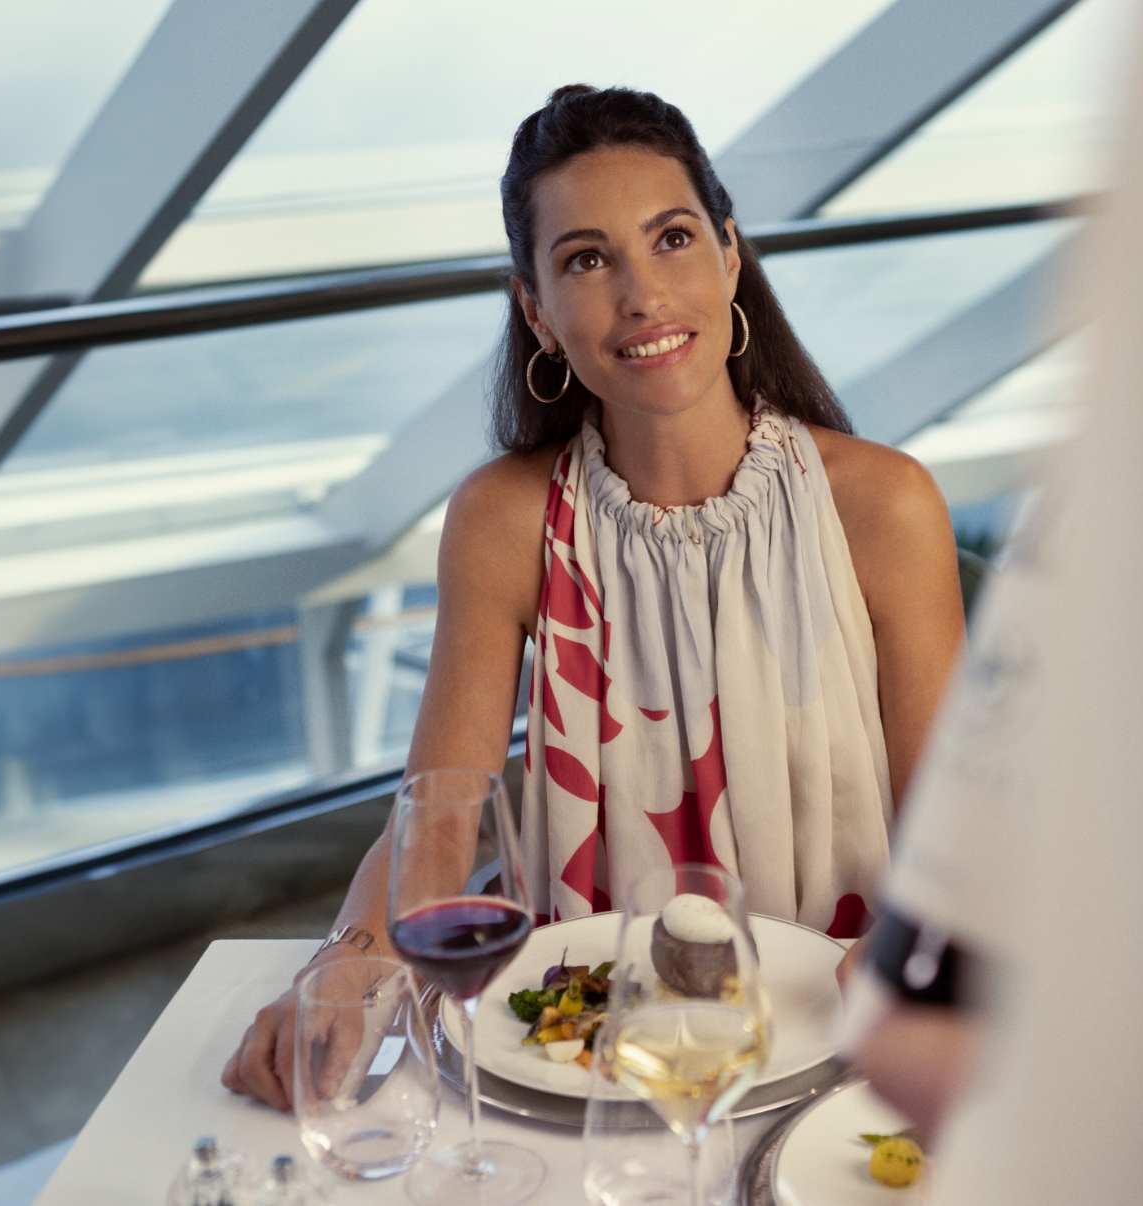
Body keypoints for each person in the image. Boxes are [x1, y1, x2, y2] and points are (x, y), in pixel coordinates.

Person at [225, 84, 964, 1109]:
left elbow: (950, 828)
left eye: (671, 239)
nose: (644, 296)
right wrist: (344, 964)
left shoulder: (886, 505)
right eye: (585, 258)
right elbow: (441, 815)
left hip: (835, 1044)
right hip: (584, 1052)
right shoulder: (502, 518)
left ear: (730, 253)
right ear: (535, 306)